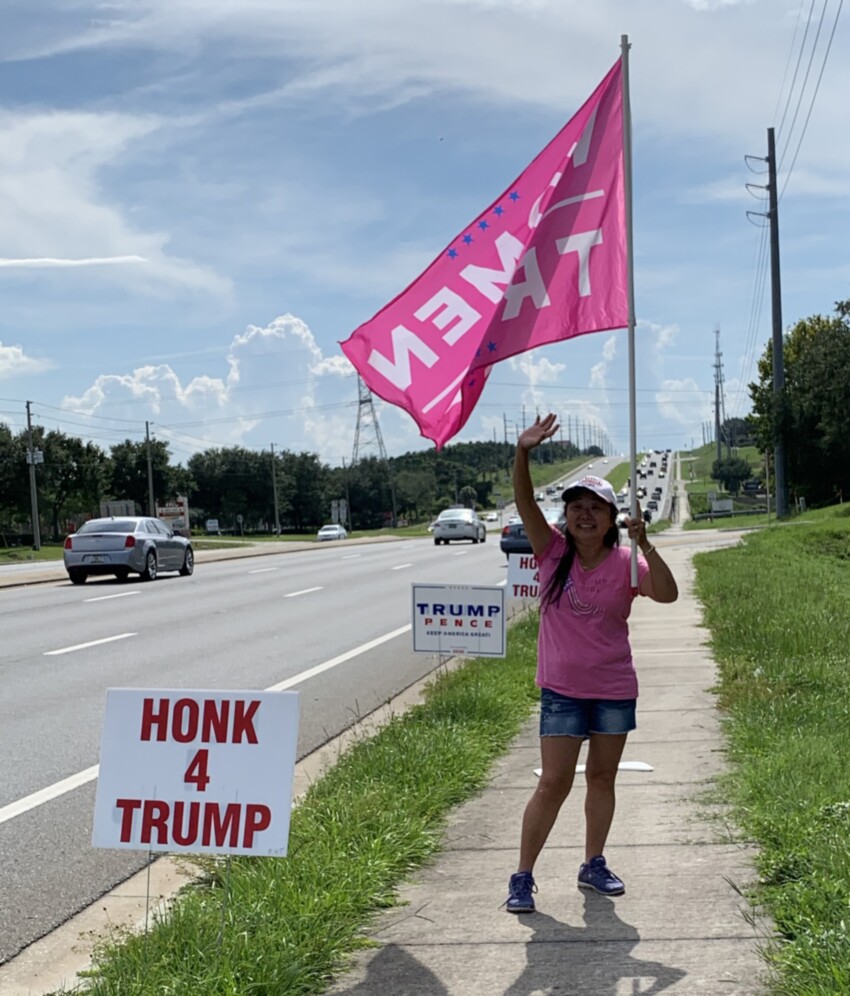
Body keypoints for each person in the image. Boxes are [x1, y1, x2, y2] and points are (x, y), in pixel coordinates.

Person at [505, 414, 678, 914]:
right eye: (576, 507)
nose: (585, 515)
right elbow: (524, 501)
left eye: (595, 508)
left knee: (602, 779)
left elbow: (668, 594)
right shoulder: (551, 551)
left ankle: (593, 863)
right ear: (566, 516)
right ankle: (522, 876)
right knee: (553, 782)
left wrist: (645, 543)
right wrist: (522, 452)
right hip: (562, 690)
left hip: (614, 688)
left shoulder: (628, 562)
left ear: (611, 518)